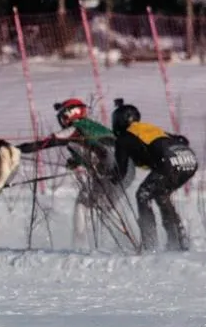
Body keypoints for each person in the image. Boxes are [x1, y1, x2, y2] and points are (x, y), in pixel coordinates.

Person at [17, 98, 124, 244]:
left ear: (72, 113)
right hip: (123, 172)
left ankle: (79, 246)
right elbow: (95, 147)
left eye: (63, 115)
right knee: (106, 210)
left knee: (82, 205)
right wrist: (77, 161)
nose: (61, 119)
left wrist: (17, 149)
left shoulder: (77, 127)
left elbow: (47, 142)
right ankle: (125, 243)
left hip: (109, 173)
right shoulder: (92, 127)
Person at [111, 98, 197, 252]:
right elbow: (182, 140)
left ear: (119, 121)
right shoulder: (148, 128)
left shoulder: (123, 138)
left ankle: (150, 243)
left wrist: (109, 177)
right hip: (189, 160)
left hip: (169, 162)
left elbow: (121, 173)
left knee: (143, 194)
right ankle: (177, 241)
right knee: (160, 194)